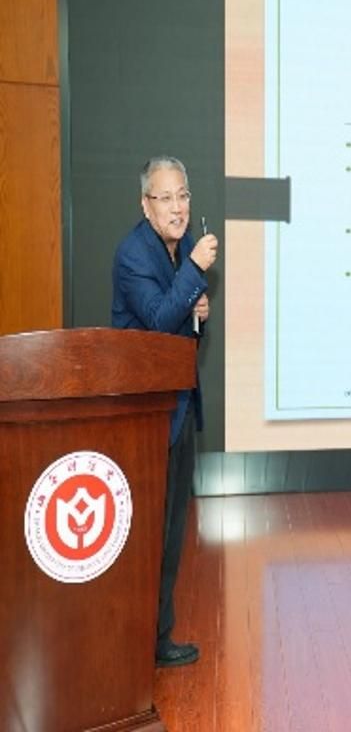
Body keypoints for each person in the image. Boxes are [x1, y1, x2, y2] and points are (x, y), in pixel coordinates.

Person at [112, 156, 218, 668]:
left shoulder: (178, 248)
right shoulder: (134, 254)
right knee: (148, 533)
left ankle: (156, 639)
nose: (177, 208)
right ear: (146, 205)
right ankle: (135, 644)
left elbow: (178, 319)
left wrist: (199, 310)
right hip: (147, 415)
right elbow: (156, 321)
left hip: (176, 407)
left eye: (183, 196)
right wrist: (195, 272)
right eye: (166, 198)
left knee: (171, 529)